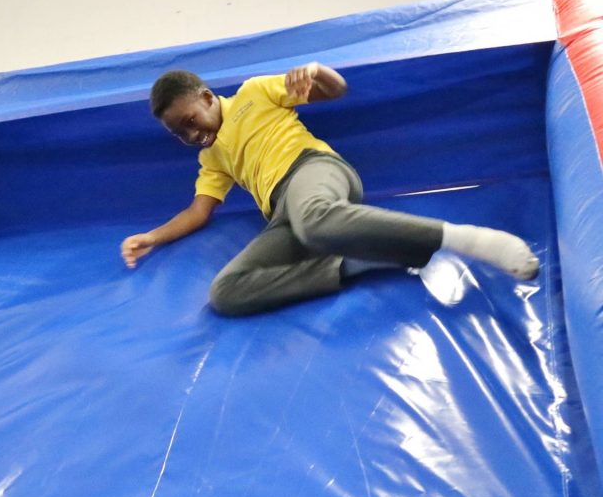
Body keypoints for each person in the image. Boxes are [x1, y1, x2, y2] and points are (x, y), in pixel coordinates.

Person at [120, 63, 539, 316]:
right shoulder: (211, 158)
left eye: (191, 121)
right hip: (286, 213)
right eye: (179, 134)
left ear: (208, 98)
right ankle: (357, 263)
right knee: (225, 293)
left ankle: (464, 239)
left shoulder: (253, 93)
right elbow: (198, 211)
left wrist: (318, 74)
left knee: (314, 220)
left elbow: (334, 90)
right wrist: (151, 237)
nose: (191, 135)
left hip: (314, 171)